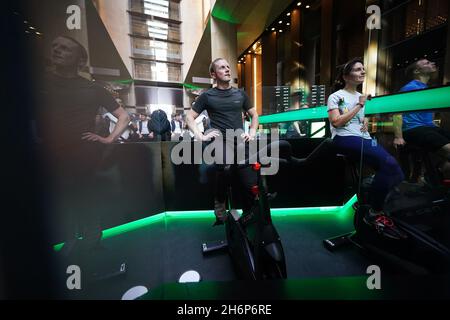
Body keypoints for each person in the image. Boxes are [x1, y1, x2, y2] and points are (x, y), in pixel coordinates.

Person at [36, 36, 130, 255]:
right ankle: (69, 244)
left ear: (79, 59)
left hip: (82, 155)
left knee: (85, 198)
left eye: (65, 49)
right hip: (51, 153)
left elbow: (124, 117)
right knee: (62, 201)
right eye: (55, 46)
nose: (58, 50)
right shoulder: (40, 82)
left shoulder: (92, 88)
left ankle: (91, 243)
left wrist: (107, 139)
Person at [327, 58, 406, 240]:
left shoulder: (359, 97)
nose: (363, 72)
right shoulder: (337, 96)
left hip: (363, 137)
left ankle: (369, 190)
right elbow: (337, 122)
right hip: (344, 138)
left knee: (397, 173)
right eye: (357, 69)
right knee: (389, 163)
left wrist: (364, 122)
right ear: (346, 76)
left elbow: (358, 120)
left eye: (363, 69)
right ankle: (374, 212)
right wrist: (360, 105)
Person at [185, 58, 259, 224]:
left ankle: (249, 213)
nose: (227, 69)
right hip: (220, 141)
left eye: (227, 67)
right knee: (225, 166)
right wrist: (201, 136)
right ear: (213, 74)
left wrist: (252, 132)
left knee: (249, 182)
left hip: (239, 141)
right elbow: (189, 117)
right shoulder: (207, 96)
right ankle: (220, 204)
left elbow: (254, 114)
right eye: (221, 68)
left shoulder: (240, 94)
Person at [393, 59, 450, 181]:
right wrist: (398, 136)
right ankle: (433, 177)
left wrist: (434, 125)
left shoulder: (426, 88)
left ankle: (435, 175)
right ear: (417, 71)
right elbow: (397, 113)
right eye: (427, 63)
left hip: (429, 128)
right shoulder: (410, 87)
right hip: (413, 129)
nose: (433, 63)